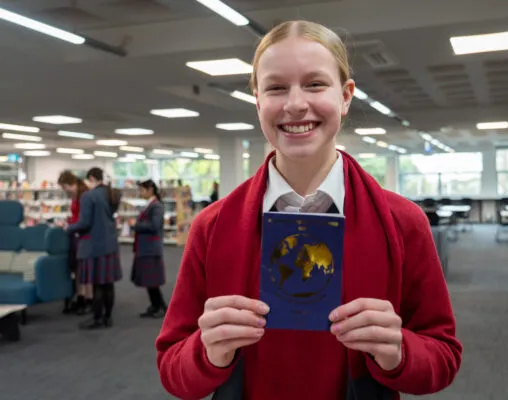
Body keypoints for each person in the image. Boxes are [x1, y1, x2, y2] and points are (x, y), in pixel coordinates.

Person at [156, 20, 462, 400]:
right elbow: (172, 369)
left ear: (346, 97)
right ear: (258, 101)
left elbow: (443, 357)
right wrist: (208, 353)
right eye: (276, 88)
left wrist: (398, 351)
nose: (295, 104)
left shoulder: (402, 223)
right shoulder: (212, 226)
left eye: (315, 84)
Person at [66, 167, 122, 329]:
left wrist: (68, 228)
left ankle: (97, 318)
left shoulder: (88, 196)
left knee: (97, 284)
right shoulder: (113, 193)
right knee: (108, 284)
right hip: (110, 244)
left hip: (93, 245)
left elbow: (84, 223)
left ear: (91, 178)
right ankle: (107, 318)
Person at [57, 170, 94, 315]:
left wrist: (70, 226)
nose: (64, 190)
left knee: (85, 269)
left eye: (65, 187)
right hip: (75, 234)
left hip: (84, 236)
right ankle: (81, 297)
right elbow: (76, 215)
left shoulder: (84, 196)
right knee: (77, 269)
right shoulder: (75, 195)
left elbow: (84, 220)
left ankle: (89, 299)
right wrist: (68, 222)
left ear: (71, 183)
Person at [131, 179, 168, 318]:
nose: (140, 193)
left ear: (150, 190)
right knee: (149, 280)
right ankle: (156, 305)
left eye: (142, 190)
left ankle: (160, 306)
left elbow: (154, 225)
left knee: (152, 280)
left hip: (151, 248)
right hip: (146, 247)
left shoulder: (156, 206)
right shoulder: (150, 205)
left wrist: (136, 225)